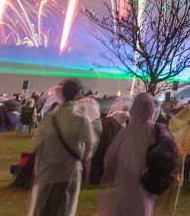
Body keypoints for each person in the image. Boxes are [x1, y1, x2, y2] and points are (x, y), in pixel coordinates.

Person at [31, 79, 101, 216]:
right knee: (65, 208)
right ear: (77, 94)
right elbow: (90, 144)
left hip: (47, 171)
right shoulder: (81, 119)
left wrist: (37, 168)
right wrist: (84, 158)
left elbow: (39, 143)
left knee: (43, 209)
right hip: (69, 171)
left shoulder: (50, 117)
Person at [98, 92, 173, 216]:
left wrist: (108, 176)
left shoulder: (126, 133)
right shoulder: (156, 133)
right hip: (146, 185)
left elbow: (110, 157)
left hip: (125, 185)